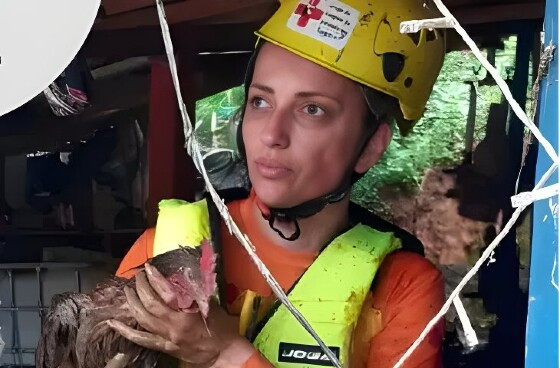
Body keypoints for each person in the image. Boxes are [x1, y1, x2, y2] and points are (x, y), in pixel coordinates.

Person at [111, 0, 446, 367]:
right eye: (260, 102)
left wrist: (228, 354)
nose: (272, 134)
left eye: (312, 109)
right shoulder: (162, 252)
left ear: (371, 146)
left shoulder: (400, 287)